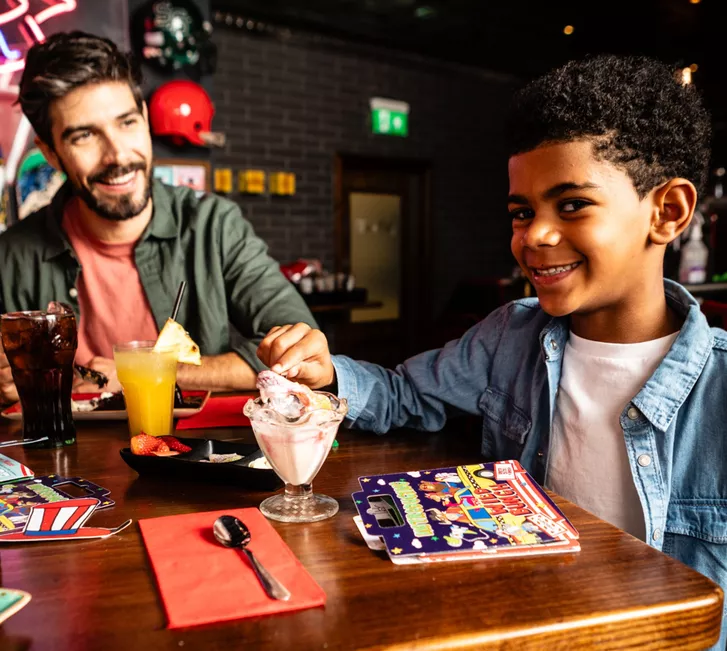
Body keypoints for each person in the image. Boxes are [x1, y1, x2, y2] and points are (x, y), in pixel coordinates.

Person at [257, 55, 727, 648]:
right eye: (522, 212)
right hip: (527, 625)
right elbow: (404, 393)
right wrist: (330, 373)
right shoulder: (511, 336)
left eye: (573, 205)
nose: (534, 235)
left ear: (667, 212)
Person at [0, 31, 316, 404]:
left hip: (200, 459)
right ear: (51, 153)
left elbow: (304, 357)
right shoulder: (11, 256)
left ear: (145, 117)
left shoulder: (214, 226)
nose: (118, 155)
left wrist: (147, 370)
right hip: (62, 461)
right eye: (84, 135)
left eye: (127, 122)